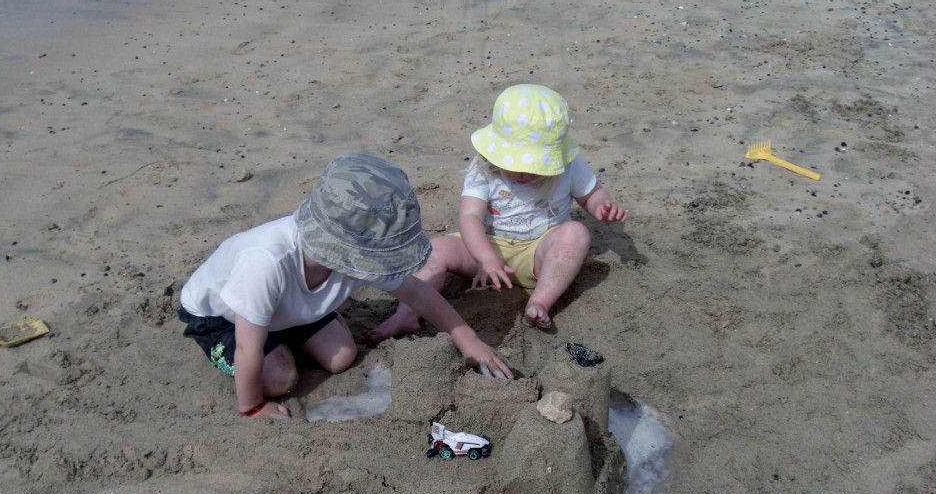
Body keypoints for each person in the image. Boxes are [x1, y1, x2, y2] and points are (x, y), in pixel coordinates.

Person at [178, 153, 512, 419]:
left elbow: (416, 291)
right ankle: (275, 348)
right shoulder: (265, 262)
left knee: (342, 357)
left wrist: (467, 338)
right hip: (225, 318)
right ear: (349, 251)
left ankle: (286, 334)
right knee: (279, 380)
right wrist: (251, 407)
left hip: (289, 310)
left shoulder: (358, 253)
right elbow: (249, 347)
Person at [372, 84, 627, 339]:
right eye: (514, 163)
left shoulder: (569, 164)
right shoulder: (484, 165)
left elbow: (591, 194)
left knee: (576, 234)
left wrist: (601, 206)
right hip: (487, 245)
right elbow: (470, 216)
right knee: (436, 249)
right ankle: (405, 315)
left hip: (538, 251)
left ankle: (540, 301)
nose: (522, 173)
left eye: (533, 165)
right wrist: (485, 258)